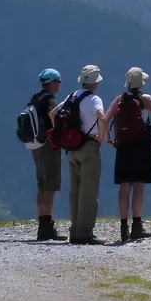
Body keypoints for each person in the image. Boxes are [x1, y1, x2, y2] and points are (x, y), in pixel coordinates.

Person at [50, 64, 108, 245]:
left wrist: (62, 135)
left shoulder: (71, 96)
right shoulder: (94, 99)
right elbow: (102, 117)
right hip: (89, 145)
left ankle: (74, 230)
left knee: (74, 191)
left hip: (71, 148)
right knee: (88, 191)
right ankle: (85, 233)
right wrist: (101, 137)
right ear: (95, 83)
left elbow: (53, 114)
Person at [107, 67, 151, 243]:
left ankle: (123, 227)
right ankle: (137, 227)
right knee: (139, 186)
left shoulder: (120, 99)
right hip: (142, 146)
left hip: (123, 146)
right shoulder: (145, 99)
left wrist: (109, 139)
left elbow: (105, 118)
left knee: (124, 187)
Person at [28, 68, 67, 241]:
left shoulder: (35, 98)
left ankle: (41, 225)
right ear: (51, 83)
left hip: (35, 145)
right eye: (58, 81)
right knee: (50, 186)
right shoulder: (50, 99)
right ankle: (47, 228)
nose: (60, 84)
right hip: (48, 146)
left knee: (41, 185)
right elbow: (54, 117)